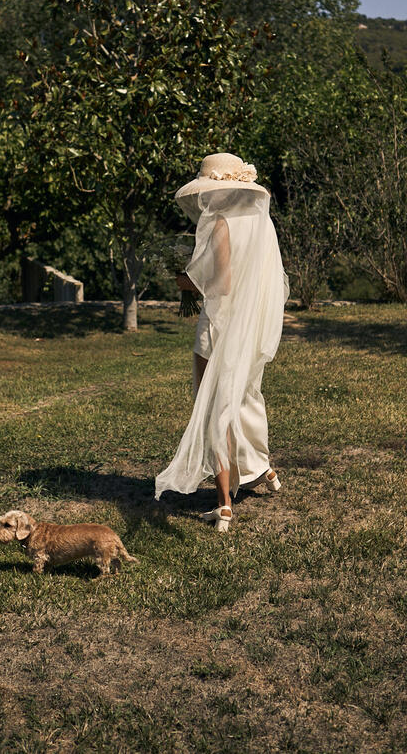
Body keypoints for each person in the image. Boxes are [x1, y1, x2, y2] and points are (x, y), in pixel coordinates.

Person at [154, 153, 289, 532]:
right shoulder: (263, 224)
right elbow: (271, 281)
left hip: (219, 326)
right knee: (245, 399)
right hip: (251, 328)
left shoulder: (219, 223)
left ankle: (224, 503)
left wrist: (185, 282)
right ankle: (264, 469)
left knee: (215, 407)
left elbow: (220, 284)